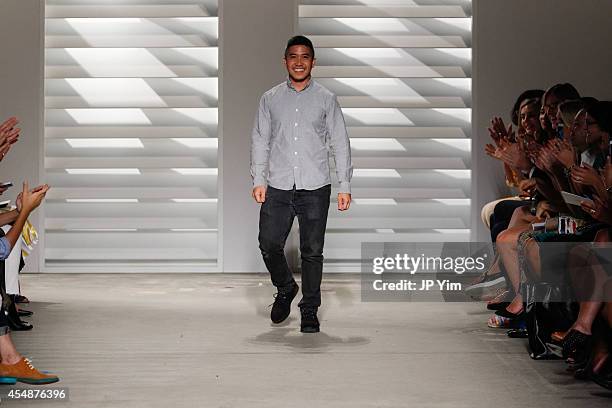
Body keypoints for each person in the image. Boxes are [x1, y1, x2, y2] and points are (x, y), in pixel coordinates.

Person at [250, 35, 353, 333]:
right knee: (268, 243)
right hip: (279, 184)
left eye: (304, 56)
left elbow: (340, 143)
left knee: (312, 250)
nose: (298, 61)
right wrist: (259, 178)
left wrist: (344, 184)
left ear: (313, 62)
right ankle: (285, 288)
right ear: (284, 61)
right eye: (293, 56)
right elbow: (260, 140)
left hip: (315, 185)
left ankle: (310, 309)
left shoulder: (326, 98)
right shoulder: (269, 99)